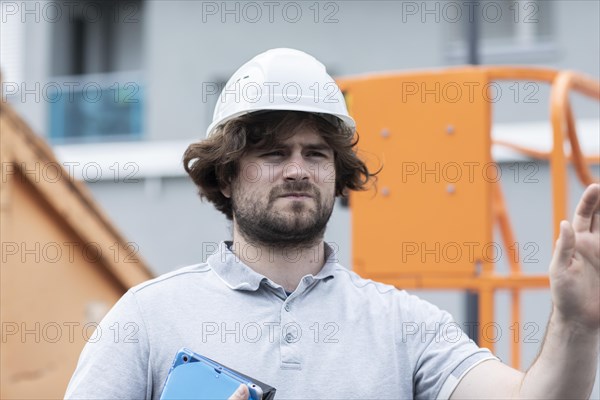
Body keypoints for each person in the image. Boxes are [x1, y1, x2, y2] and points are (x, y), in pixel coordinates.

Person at [65, 48, 599, 400]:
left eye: (316, 154)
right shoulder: (147, 317)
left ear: (336, 173)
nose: (298, 169)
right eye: (273, 153)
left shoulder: (404, 325)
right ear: (225, 176)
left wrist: (577, 324)